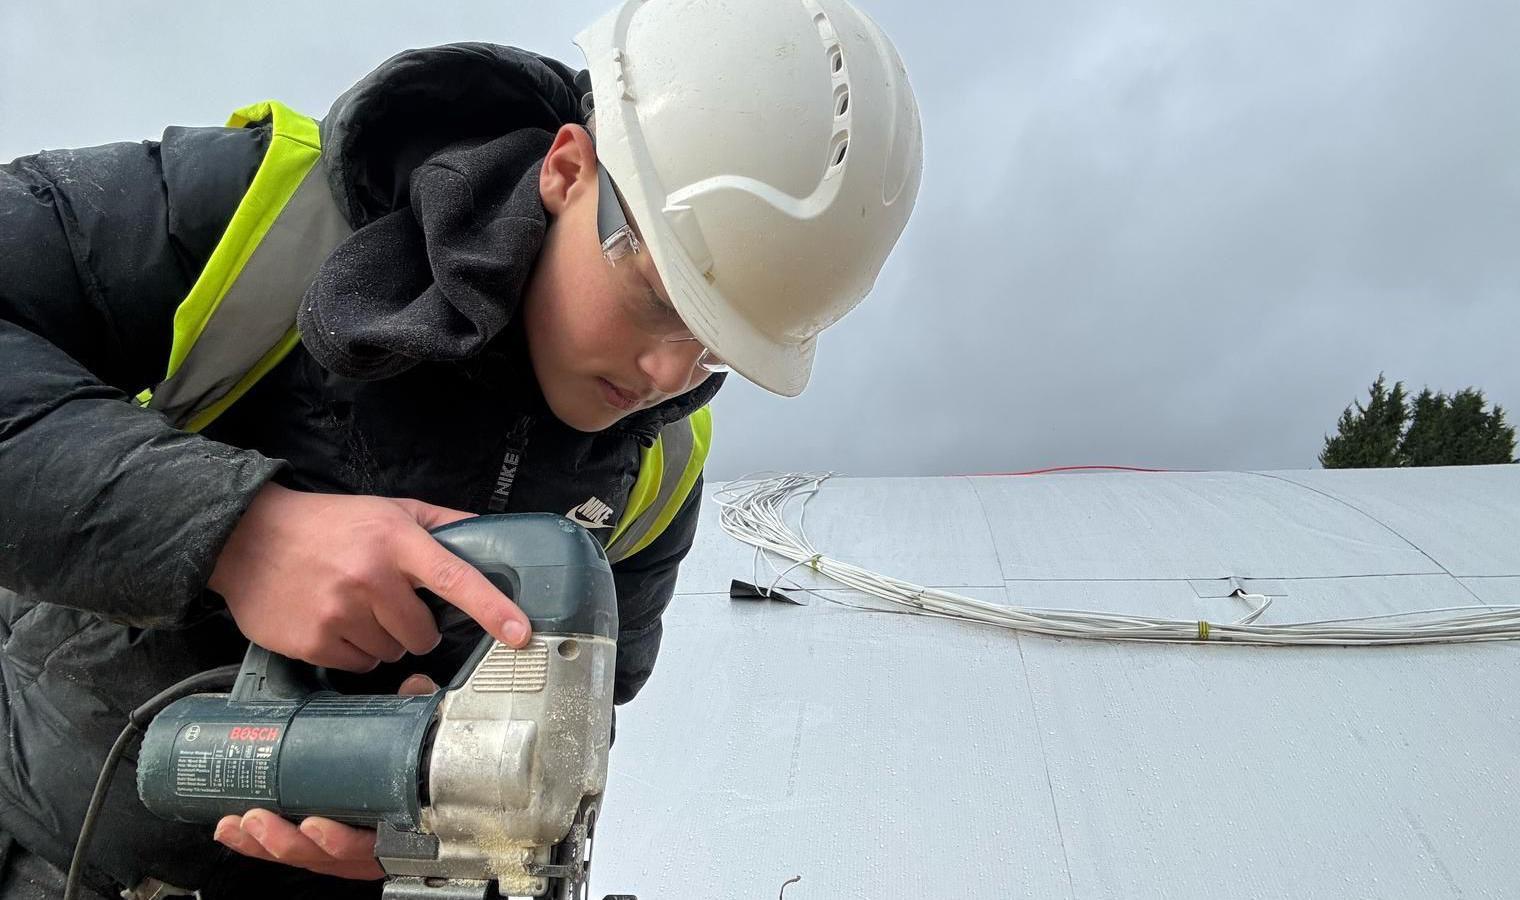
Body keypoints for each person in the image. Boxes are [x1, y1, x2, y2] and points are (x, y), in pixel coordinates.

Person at [0, 0, 921, 896]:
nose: (664, 372)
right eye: (659, 299)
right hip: (45, 842)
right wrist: (238, 530)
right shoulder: (268, 223)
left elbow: (563, 755)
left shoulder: (655, 477)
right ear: (571, 170)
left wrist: (439, 840)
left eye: (717, 347)